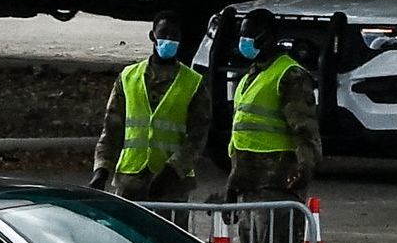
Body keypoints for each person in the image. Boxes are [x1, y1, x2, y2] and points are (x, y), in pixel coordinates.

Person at [91, 29, 206, 200]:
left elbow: (198, 137)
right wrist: (101, 170)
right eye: (164, 35)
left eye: (174, 36)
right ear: (153, 36)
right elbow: (111, 130)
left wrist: (172, 170)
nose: (169, 40)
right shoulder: (128, 77)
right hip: (130, 180)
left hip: (172, 185)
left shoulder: (193, 83)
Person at [221, 13, 320, 206]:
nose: (244, 42)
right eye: (242, 35)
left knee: (275, 235)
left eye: (250, 36)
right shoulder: (251, 76)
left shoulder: (290, 75)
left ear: (268, 37)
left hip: (277, 184)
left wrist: (304, 168)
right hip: (248, 185)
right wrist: (233, 183)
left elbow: (305, 130)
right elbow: (241, 138)